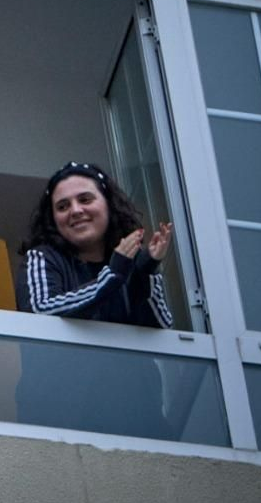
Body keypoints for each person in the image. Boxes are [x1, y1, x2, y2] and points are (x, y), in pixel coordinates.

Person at [14, 161, 175, 438]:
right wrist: (112, 276)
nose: (75, 210)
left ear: (108, 205)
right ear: (53, 218)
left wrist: (144, 271)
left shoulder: (134, 261)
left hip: (138, 423)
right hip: (58, 425)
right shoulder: (43, 257)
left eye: (85, 199)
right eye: (62, 206)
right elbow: (42, 309)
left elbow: (162, 324)